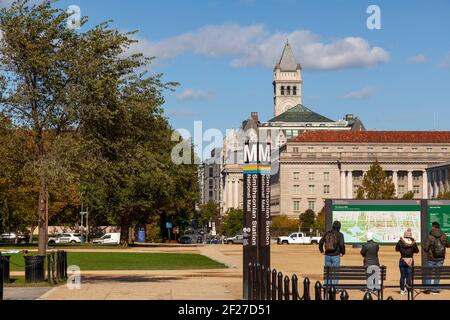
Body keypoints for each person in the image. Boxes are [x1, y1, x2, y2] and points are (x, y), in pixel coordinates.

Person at [424, 221, 450, 294]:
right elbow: (448, 245)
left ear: (433, 227)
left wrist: (428, 250)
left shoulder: (430, 236)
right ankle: (435, 289)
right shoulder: (444, 235)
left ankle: (428, 288)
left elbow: (425, 248)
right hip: (441, 258)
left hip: (431, 258)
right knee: (437, 274)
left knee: (429, 273)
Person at [319, 221, 346, 285]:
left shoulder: (327, 233)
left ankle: (326, 286)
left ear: (332, 226)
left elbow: (321, 242)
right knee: (335, 272)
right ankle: (334, 288)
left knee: (327, 272)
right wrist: (342, 253)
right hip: (336, 255)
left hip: (327, 255)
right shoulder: (340, 234)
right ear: (339, 227)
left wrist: (322, 251)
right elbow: (342, 245)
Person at [395, 228, 419, 295]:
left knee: (402, 276)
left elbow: (396, 249)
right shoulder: (413, 242)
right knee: (409, 276)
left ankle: (402, 290)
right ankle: (408, 289)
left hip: (402, 260)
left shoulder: (400, 242)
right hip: (410, 260)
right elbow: (417, 251)